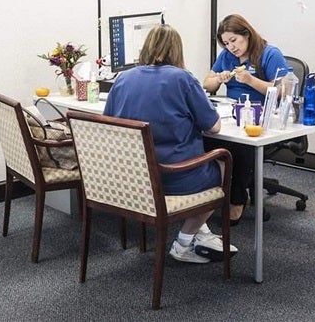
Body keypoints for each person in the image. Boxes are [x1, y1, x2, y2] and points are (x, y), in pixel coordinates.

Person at [103, 24, 238, 264]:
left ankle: (200, 231)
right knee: (223, 162)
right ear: (177, 51)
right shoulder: (182, 79)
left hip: (135, 176)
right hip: (174, 177)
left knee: (204, 162)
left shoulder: (123, 78)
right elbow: (213, 126)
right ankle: (184, 243)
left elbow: (109, 123)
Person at [202, 14, 288, 224]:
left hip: (261, 119)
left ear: (246, 34)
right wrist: (218, 79)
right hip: (231, 114)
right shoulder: (226, 57)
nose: (231, 47)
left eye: (234, 40)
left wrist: (250, 80)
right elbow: (207, 84)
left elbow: (282, 90)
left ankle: (237, 199)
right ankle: (209, 194)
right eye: (226, 43)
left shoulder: (269, 53)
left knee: (241, 147)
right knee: (204, 138)